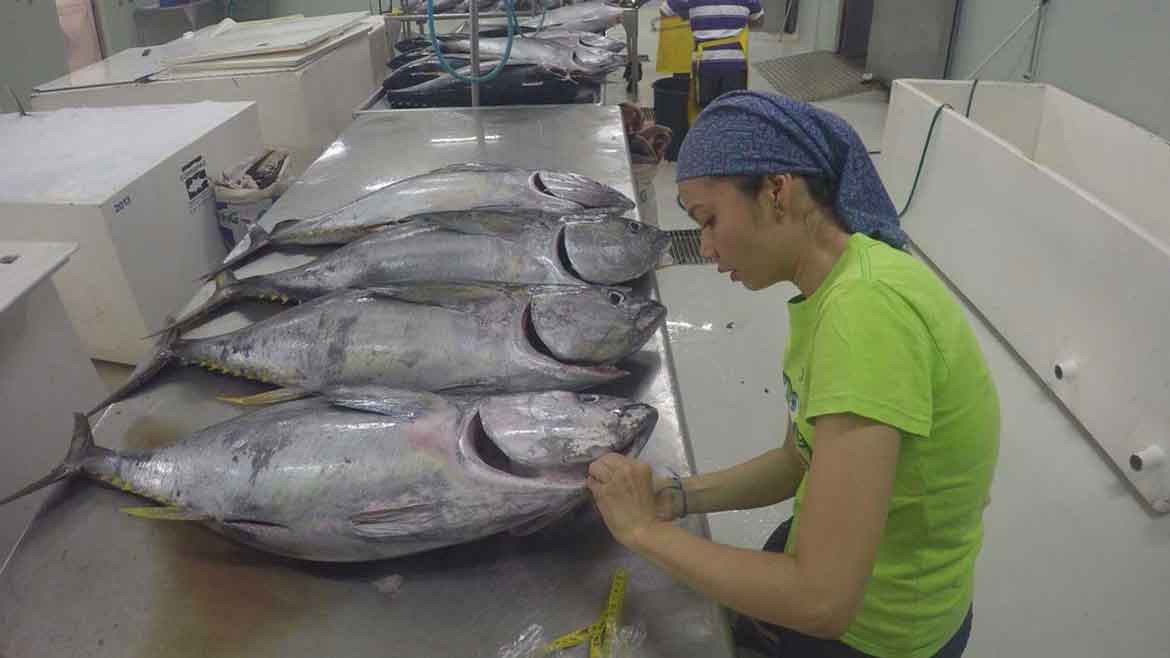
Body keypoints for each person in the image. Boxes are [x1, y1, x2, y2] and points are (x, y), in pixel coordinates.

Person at [586, 91, 1000, 658]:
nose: (704, 247)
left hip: (879, 633)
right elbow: (796, 461)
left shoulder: (865, 317)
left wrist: (642, 534)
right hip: (850, 564)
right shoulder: (840, 283)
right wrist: (676, 499)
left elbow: (823, 602)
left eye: (709, 220)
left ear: (777, 192)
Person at [660, 0, 764, 106]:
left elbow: (665, 10)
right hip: (735, 63)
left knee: (706, 111)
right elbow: (759, 19)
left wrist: (690, 15)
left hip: (705, 64)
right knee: (733, 110)